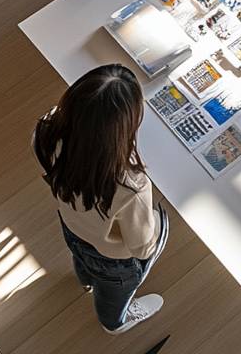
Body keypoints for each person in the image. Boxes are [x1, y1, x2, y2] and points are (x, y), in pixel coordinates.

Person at [34, 64, 169, 334]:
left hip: (71, 228)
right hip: (111, 258)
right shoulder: (131, 186)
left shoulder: (46, 132)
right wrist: (156, 222)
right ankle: (115, 323)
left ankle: (85, 280)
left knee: (82, 260)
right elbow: (142, 248)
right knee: (112, 299)